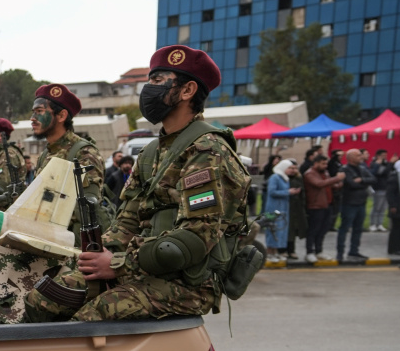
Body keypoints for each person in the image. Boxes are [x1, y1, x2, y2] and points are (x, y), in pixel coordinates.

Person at [25, 45, 250, 321]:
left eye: (157, 81)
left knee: (90, 318)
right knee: (44, 299)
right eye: (149, 81)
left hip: (186, 285)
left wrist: (119, 264)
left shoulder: (208, 151)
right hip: (140, 269)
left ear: (188, 91)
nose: (148, 89)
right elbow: (126, 223)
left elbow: (192, 241)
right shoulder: (151, 153)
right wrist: (92, 255)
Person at [29, 83, 107, 233]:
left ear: (61, 116)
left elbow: (87, 207)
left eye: (39, 111)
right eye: (33, 112)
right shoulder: (45, 154)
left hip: (71, 241)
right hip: (43, 233)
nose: (32, 118)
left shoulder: (83, 153)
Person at [303, 154, 345, 263]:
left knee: (323, 229)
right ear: (316, 163)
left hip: (327, 204)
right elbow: (319, 184)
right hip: (315, 206)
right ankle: (309, 252)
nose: (325, 166)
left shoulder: (324, 173)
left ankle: (319, 251)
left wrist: (338, 183)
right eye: (323, 163)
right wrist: (337, 178)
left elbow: (328, 185)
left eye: (326, 163)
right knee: (313, 230)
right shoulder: (310, 173)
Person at [335, 149, 375, 262]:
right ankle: (340, 253)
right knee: (344, 228)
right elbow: (351, 183)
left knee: (358, 229)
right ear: (351, 158)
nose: (361, 157)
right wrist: (363, 184)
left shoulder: (362, 169)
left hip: (361, 202)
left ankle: (354, 251)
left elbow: (373, 179)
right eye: (358, 155)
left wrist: (361, 180)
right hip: (349, 203)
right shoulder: (344, 169)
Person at [263, 160, 296, 262]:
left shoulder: (285, 179)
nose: (292, 170)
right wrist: (288, 192)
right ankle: (269, 253)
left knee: (280, 230)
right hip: (273, 208)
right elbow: (272, 191)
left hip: (283, 208)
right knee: (272, 229)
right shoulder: (275, 177)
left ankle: (276, 252)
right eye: (290, 168)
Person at [386, 154, 400, 255]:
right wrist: (392, 205)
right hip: (397, 206)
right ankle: (394, 248)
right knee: (396, 229)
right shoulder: (395, 177)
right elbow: (390, 193)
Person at [285, 162, 307, 260]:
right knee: (286, 230)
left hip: (296, 208)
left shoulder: (299, 179)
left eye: (295, 168)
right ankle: (283, 250)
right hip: (286, 207)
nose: (293, 170)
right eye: (291, 168)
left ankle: (291, 250)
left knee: (293, 230)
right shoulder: (283, 178)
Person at [368, 149, 392, 231]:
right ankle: (373, 224)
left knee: (383, 208)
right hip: (378, 188)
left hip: (386, 188)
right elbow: (380, 172)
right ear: (378, 156)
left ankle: (380, 224)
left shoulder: (386, 164)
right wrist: (390, 164)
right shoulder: (375, 164)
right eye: (383, 156)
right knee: (377, 207)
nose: (385, 157)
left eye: (385, 155)